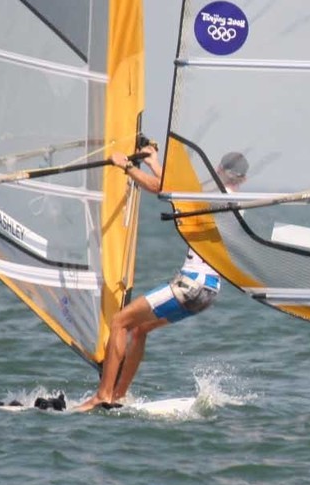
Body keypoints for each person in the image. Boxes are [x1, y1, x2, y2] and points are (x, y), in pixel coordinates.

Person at [76, 145, 249, 411]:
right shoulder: (236, 203)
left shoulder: (213, 195)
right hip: (209, 291)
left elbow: (161, 188)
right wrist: (153, 161)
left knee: (120, 322)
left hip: (191, 284)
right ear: (243, 179)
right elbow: (174, 187)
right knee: (139, 328)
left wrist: (127, 167)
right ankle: (118, 396)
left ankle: (103, 395)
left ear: (217, 170)